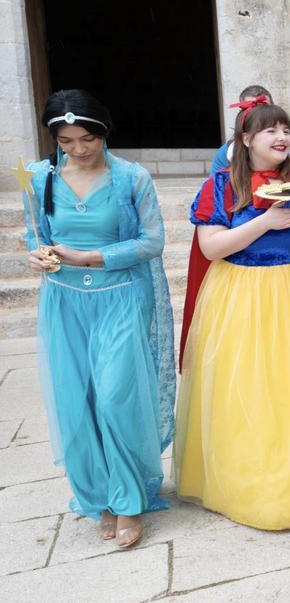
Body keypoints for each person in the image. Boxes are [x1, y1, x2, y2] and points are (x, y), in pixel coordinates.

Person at [24, 89, 175, 549]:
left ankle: (129, 500)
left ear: (103, 133)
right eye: (66, 141)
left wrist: (91, 256)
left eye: (86, 138)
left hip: (120, 297)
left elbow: (152, 241)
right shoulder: (38, 176)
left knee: (115, 398)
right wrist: (40, 255)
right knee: (77, 403)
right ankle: (100, 498)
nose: (78, 149)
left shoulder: (131, 177)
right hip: (64, 301)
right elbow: (36, 232)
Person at [174, 102, 290, 530]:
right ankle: (247, 483)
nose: (281, 137)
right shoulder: (221, 185)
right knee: (246, 386)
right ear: (245, 140)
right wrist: (266, 221)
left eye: (286, 129)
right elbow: (211, 247)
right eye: (269, 131)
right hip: (240, 292)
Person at [210, 85, 290, 174]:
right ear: (246, 139)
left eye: (264, 108)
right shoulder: (226, 154)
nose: (259, 115)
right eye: (251, 110)